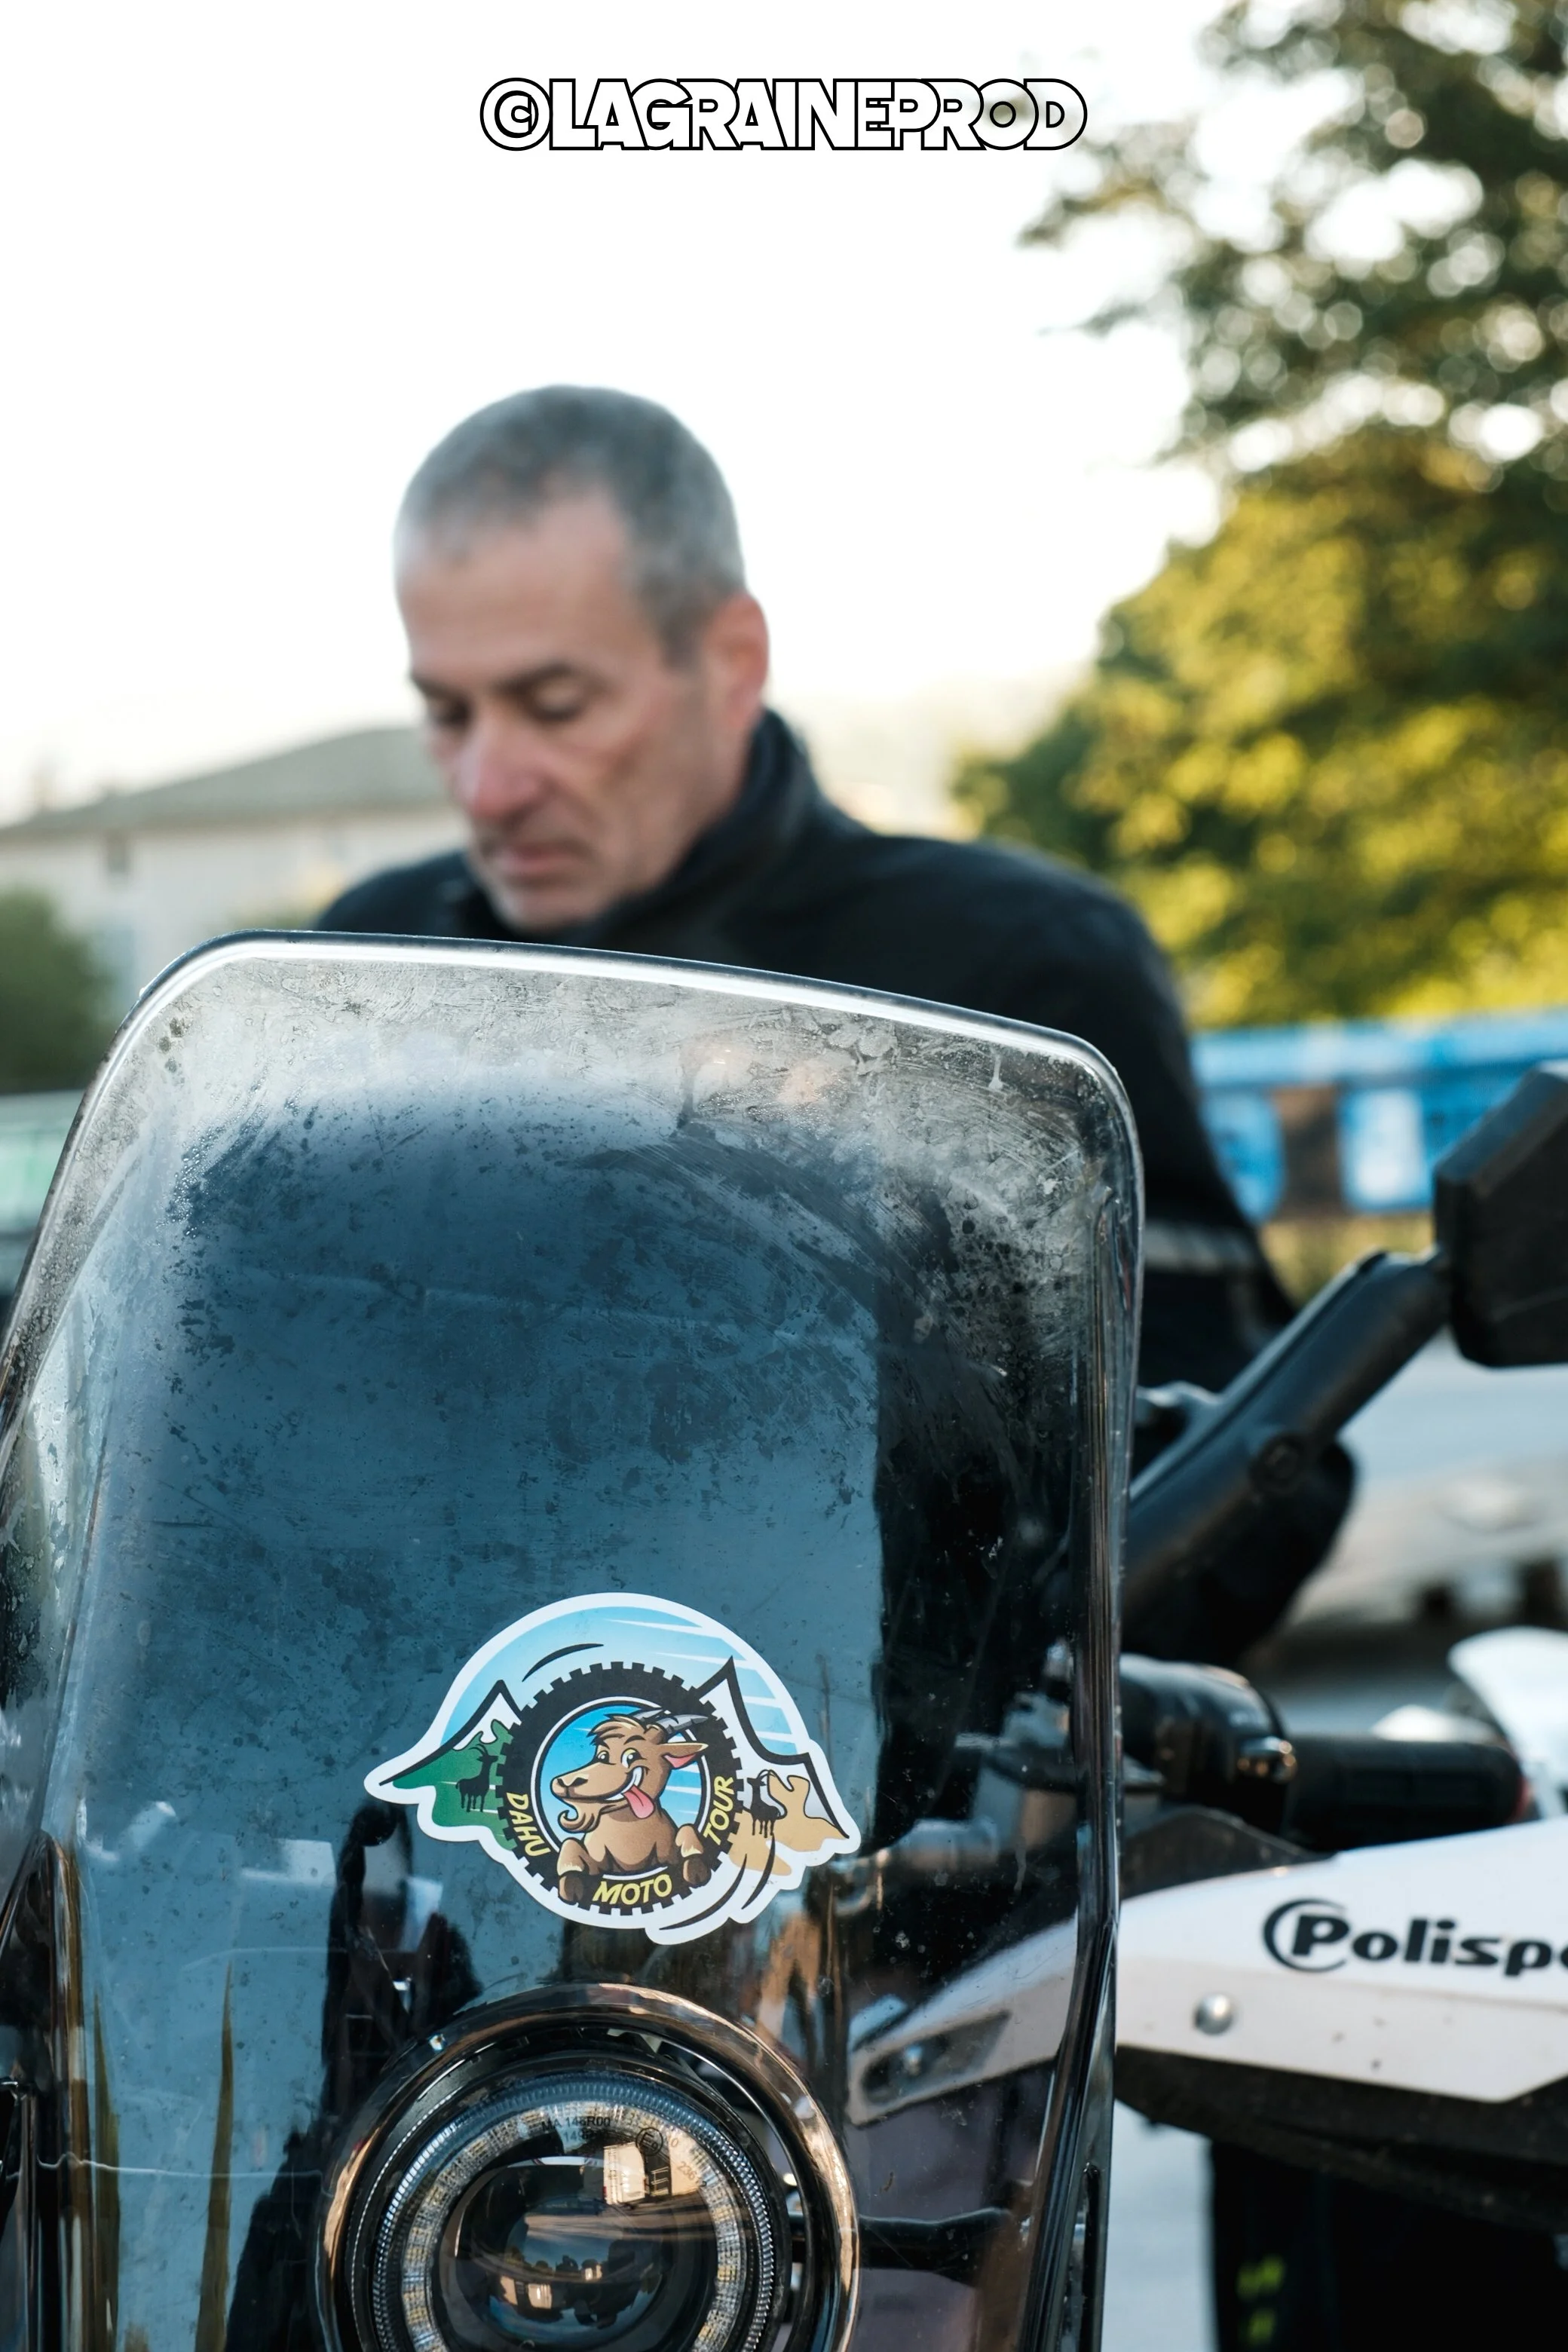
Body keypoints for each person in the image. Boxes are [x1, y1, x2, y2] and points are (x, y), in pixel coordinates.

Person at [320, 384, 1350, 1659]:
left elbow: (1253, 1481)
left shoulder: (1014, 972)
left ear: (731, 660)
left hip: (897, 1824)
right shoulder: (359, 981)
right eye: (448, 711)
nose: (489, 783)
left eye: (556, 706)